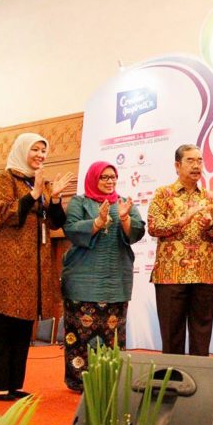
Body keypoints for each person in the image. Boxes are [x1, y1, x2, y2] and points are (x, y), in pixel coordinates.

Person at [0, 133, 73, 401]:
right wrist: (34, 194)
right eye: (35, 150)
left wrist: (54, 199)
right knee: (4, 322)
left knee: (23, 325)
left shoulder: (42, 182)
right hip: (7, 262)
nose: (40, 155)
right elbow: (6, 213)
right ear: (22, 150)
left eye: (43, 150)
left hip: (34, 266)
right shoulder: (5, 178)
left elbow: (55, 223)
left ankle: (13, 383)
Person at [61, 161, 145, 392]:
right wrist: (97, 222)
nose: (110, 181)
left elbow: (137, 233)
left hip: (116, 280)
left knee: (113, 333)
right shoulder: (80, 202)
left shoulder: (123, 203)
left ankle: (110, 379)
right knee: (80, 335)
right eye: (104, 177)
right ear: (93, 178)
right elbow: (71, 229)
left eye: (113, 177)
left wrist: (125, 218)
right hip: (82, 281)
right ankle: (80, 381)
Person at [148, 144, 213, 355]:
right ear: (177, 165)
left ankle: (198, 374)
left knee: (201, 334)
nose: (196, 165)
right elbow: (154, 227)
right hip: (170, 275)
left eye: (199, 160)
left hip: (204, 273)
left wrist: (210, 226)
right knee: (172, 334)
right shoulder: (163, 194)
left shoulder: (210, 197)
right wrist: (182, 220)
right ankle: (172, 374)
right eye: (190, 160)